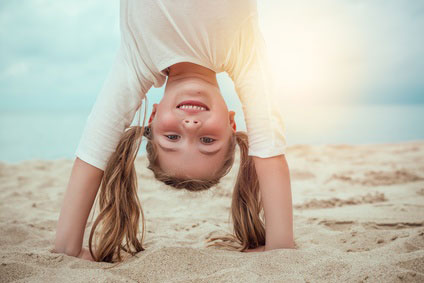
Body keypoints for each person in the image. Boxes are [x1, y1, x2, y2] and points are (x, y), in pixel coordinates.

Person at [53, 0, 294, 263]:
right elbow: (269, 149)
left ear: (153, 117)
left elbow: (93, 153)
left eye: (172, 138)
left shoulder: (136, 61)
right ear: (231, 124)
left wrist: (70, 248)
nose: (190, 127)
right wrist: (278, 244)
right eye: (207, 140)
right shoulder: (244, 56)